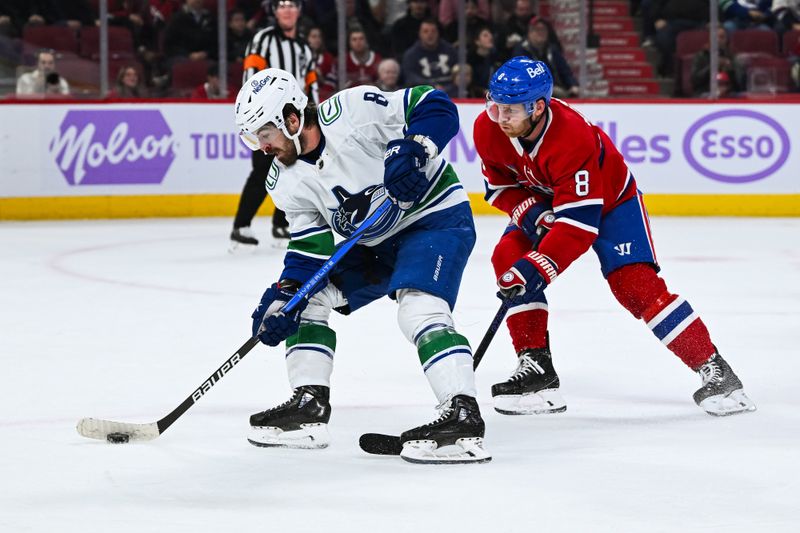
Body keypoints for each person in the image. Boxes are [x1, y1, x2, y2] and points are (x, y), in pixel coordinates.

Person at [473, 57, 756, 417]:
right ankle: (537, 372)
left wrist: (539, 266)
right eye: (494, 104)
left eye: (509, 109)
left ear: (538, 107)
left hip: (609, 203)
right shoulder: (488, 127)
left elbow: (578, 228)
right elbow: (499, 188)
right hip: (548, 198)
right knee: (507, 258)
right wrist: (532, 213)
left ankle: (714, 369)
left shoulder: (571, 137)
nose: (499, 116)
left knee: (634, 285)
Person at [234, 67, 489, 464]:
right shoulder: (283, 180)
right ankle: (309, 406)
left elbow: (434, 103)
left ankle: (462, 415)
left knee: (418, 305)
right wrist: (285, 294)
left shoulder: (352, 111)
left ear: (291, 117)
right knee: (305, 300)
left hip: (435, 219)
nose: (261, 147)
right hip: (373, 244)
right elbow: (309, 248)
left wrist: (415, 148)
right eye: (253, 138)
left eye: (264, 134)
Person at [231, 0, 319, 248]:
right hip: (266, 119)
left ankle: (281, 223)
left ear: (299, 11)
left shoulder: (303, 47)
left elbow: (310, 84)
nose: (287, 10)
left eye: (292, 5)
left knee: (296, 168)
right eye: (282, 6)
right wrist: (254, 117)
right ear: (275, 12)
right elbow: (250, 80)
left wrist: (312, 116)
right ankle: (241, 225)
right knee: (262, 171)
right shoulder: (263, 39)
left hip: (294, 121)